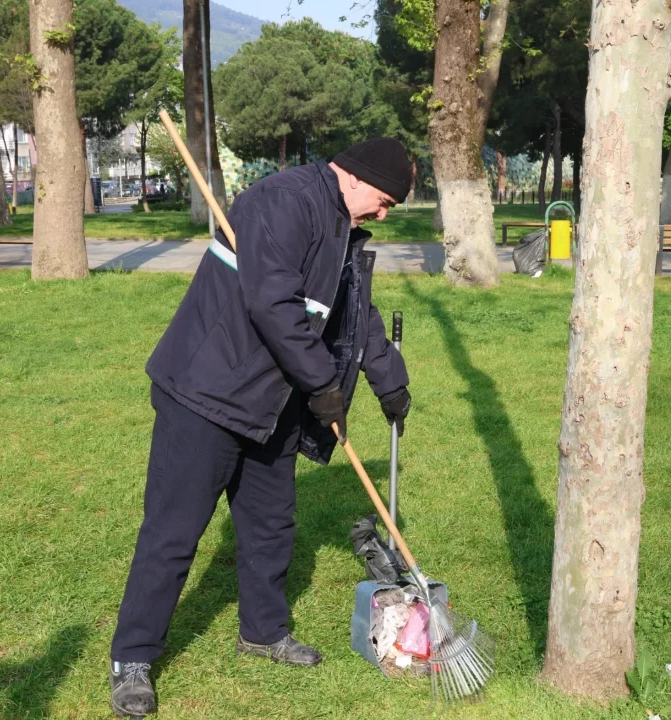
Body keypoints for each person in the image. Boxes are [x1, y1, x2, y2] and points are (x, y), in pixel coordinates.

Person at [108, 138, 415, 718]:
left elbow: (355, 310)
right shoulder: (284, 202)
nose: (382, 214)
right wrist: (323, 384)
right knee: (173, 533)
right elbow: (273, 306)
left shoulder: (339, 223)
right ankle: (133, 658)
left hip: (270, 402)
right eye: (382, 200)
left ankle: (263, 631)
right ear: (353, 176)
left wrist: (388, 379)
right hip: (206, 391)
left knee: (271, 524)